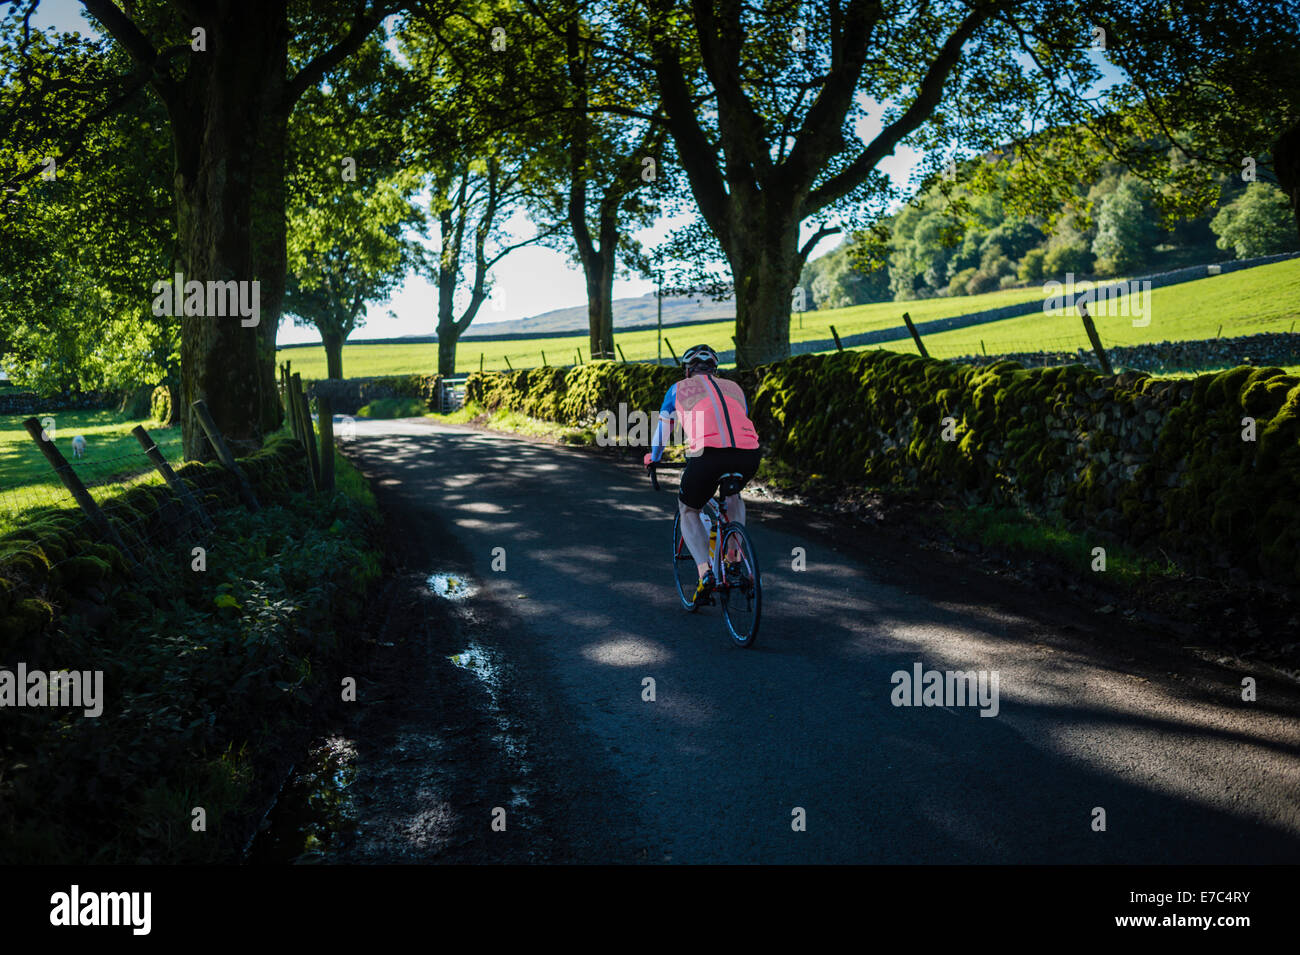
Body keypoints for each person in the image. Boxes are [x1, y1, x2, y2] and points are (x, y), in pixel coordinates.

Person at [643, 343, 761, 606]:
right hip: (749, 454)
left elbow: (662, 433)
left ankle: (704, 572)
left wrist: (655, 458)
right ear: (715, 369)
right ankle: (734, 558)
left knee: (689, 509)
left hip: (707, 455)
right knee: (733, 496)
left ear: (687, 370)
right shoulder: (735, 389)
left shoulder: (677, 389)